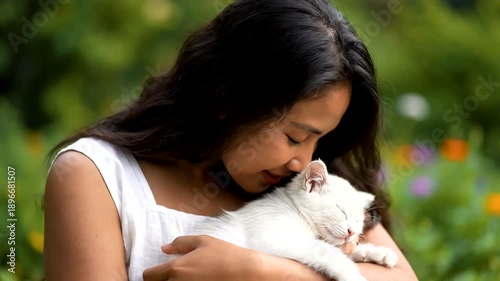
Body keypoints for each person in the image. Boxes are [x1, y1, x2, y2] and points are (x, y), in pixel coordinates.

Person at [43, 0, 419, 280]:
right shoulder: (100, 177)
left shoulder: (307, 189)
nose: (303, 162)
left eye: (318, 141)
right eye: (294, 136)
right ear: (227, 99)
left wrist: (258, 270)